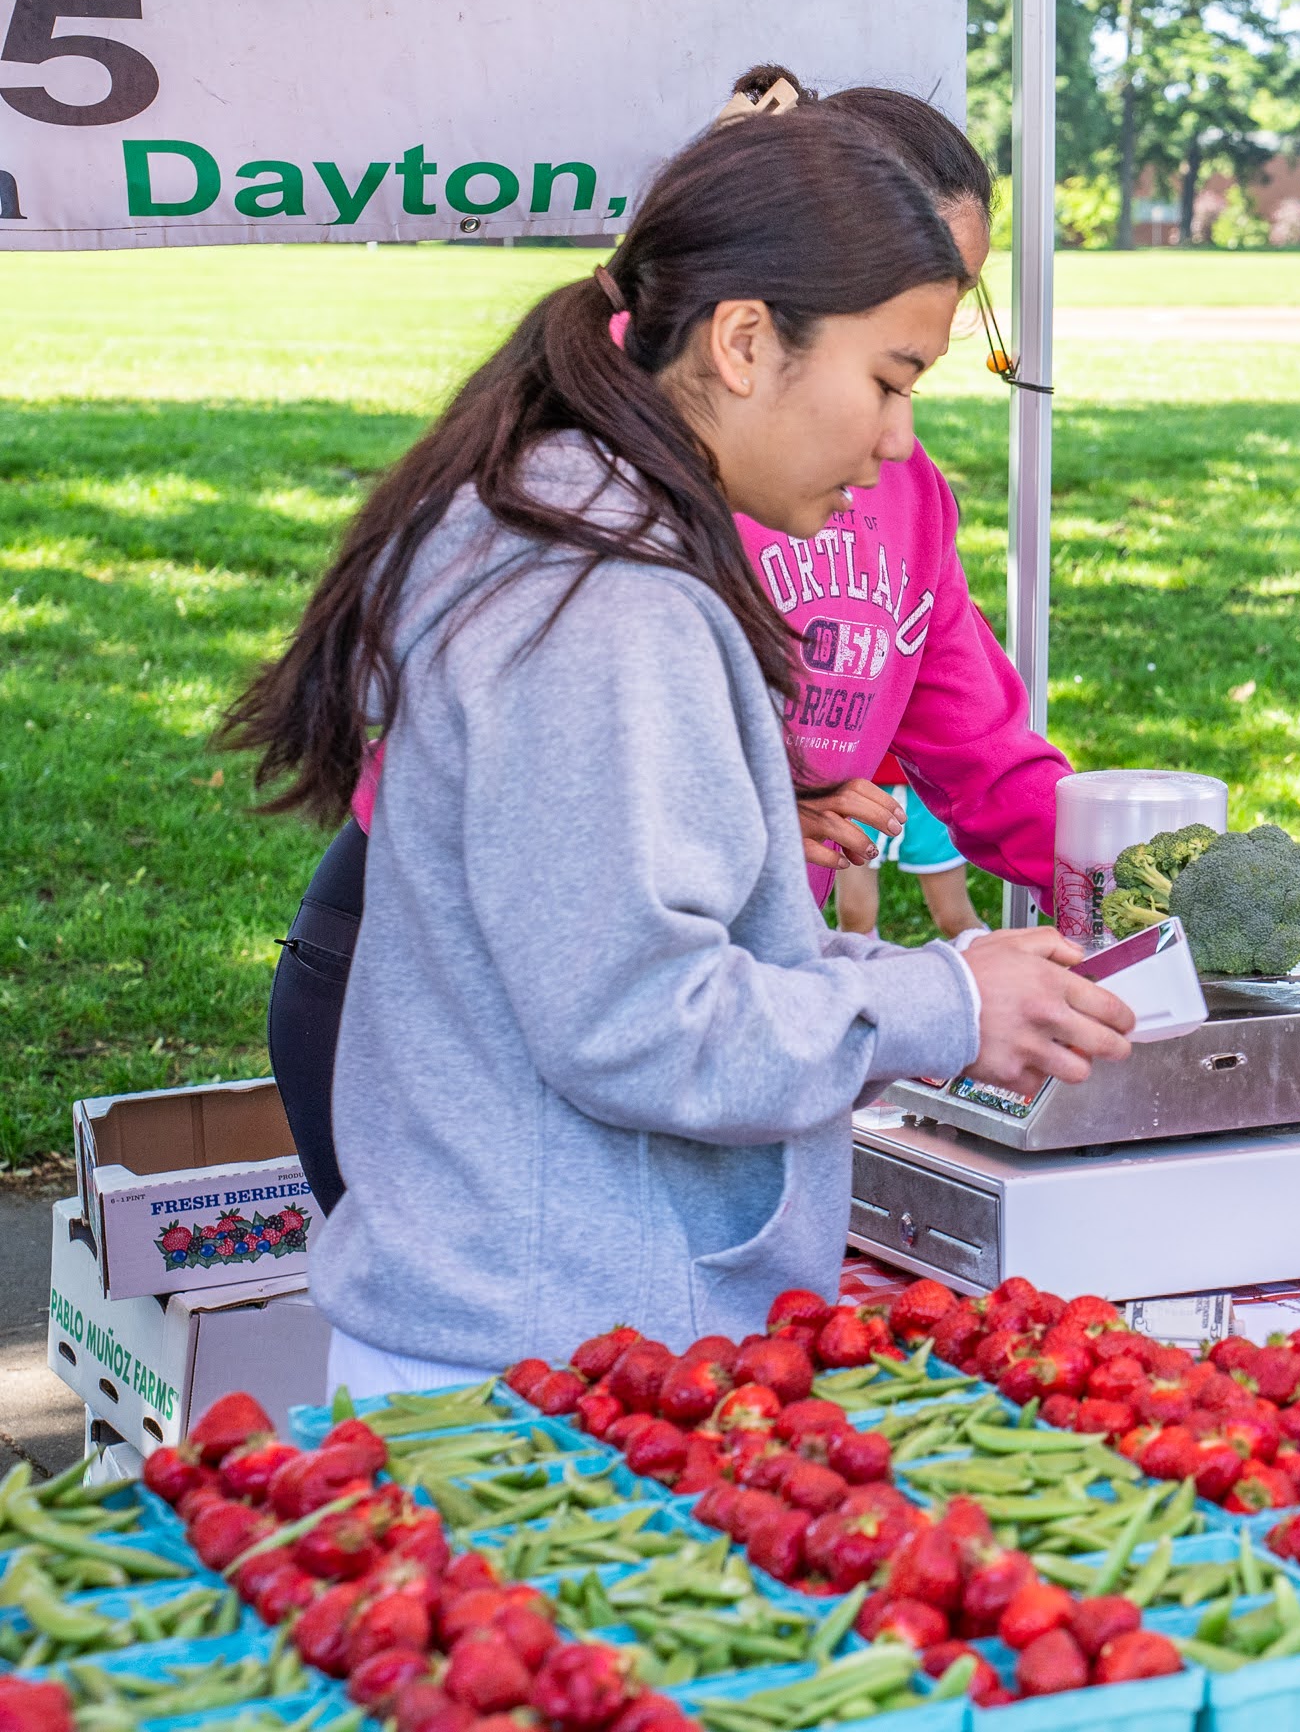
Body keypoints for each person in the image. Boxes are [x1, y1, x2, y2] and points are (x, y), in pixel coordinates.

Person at [223, 110, 1134, 1395]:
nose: (896, 441)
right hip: (547, 1369)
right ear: (745, 341)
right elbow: (641, 1020)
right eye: (891, 379)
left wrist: (936, 981)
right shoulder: (607, 601)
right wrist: (949, 1002)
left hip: (553, 1335)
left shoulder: (576, 525)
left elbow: (650, 957)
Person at [834, 758, 988, 940]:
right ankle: (856, 958)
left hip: (932, 783)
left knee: (954, 918)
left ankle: (999, 955)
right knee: (854, 915)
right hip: (857, 782)